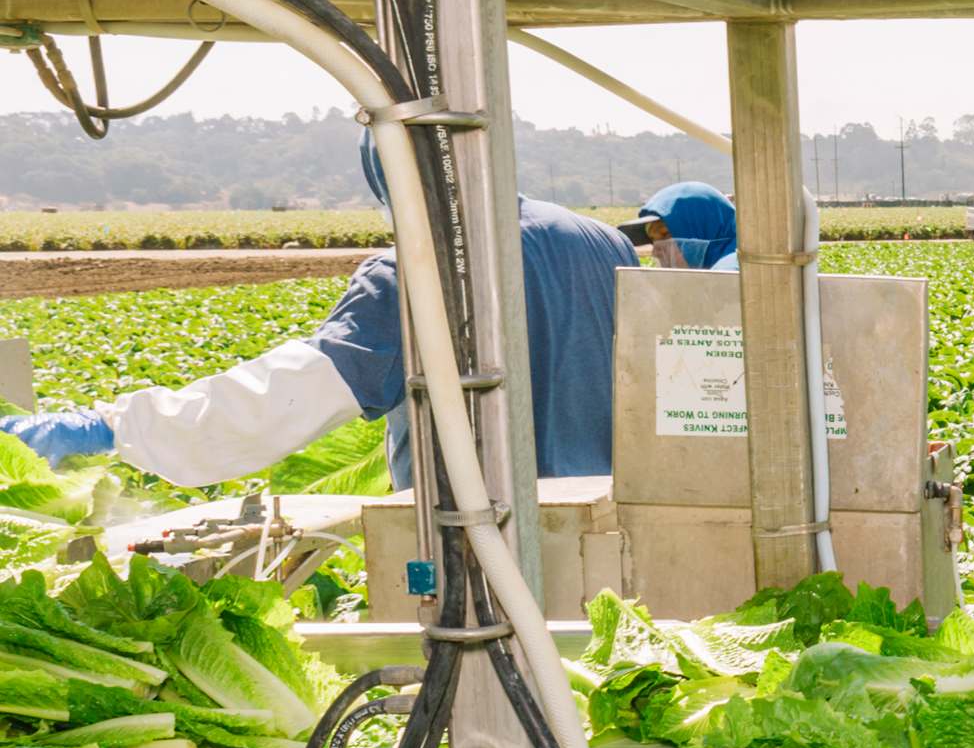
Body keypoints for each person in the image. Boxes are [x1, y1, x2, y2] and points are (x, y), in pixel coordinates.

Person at [1, 164, 737, 490]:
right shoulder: (599, 240)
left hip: (484, 550)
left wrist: (110, 429)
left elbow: (290, 395)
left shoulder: (417, 268)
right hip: (608, 518)